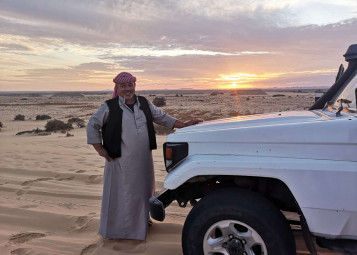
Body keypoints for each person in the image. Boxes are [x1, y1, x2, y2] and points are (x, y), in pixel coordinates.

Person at [86, 72, 202, 240]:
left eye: (131, 85)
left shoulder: (144, 103)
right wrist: (99, 148)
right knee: (122, 194)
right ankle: (119, 231)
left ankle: (141, 225)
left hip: (143, 160)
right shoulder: (109, 106)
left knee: (142, 192)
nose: (128, 89)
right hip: (119, 160)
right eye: (123, 86)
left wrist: (183, 124)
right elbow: (92, 125)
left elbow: (162, 117)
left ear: (135, 86)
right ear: (117, 88)